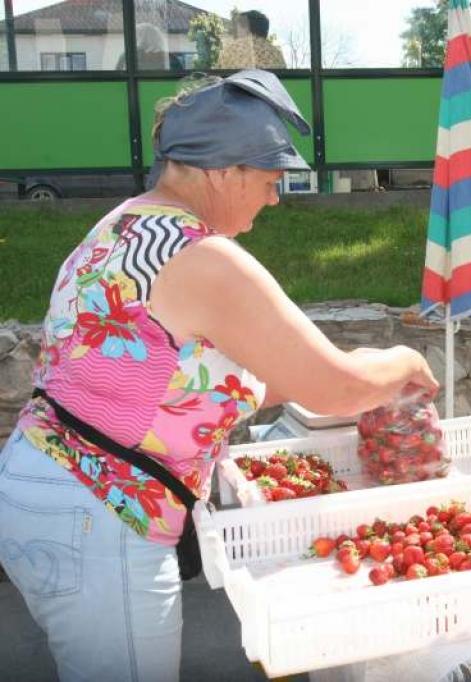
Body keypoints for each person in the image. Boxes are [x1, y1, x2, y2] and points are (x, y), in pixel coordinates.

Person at [0, 70, 437, 682]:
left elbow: (190, 380)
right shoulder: (199, 255)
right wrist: (404, 364)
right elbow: (331, 388)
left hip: (43, 487)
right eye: (268, 179)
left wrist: (352, 369)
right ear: (224, 171)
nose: (275, 196)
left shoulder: (125, 225)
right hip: (101, 513)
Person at [216, 10, 287, 70]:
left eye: (238, 27)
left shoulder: (231, 50)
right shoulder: (276, 54)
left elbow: (219, 77)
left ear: (245, 28)